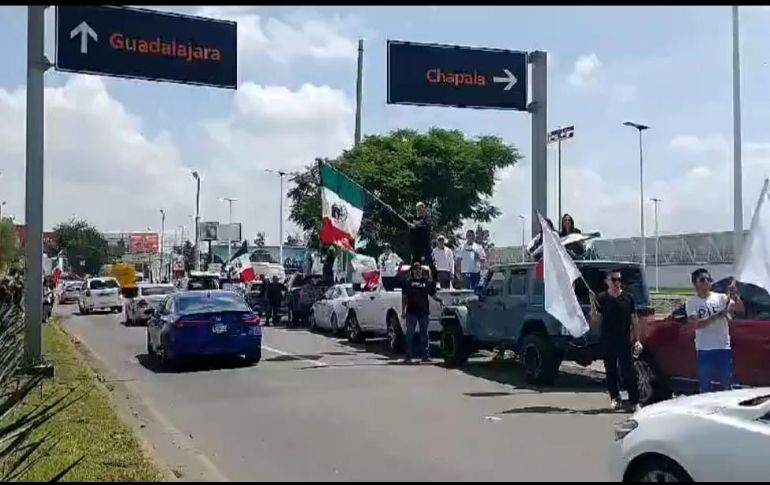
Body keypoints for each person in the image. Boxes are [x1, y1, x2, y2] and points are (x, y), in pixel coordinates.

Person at [590, 269, 643, 411]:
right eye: (614, 280)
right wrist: (592, 307)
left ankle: (634, 400)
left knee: (628, 371)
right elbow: (596, 319)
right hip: (608, 339)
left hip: (624, 339)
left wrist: (637, 340)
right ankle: (615, 397)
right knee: (611, 371)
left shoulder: (628, 298)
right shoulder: (602, 298)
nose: (617, 283)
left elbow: (634, 320)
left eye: (619, 280)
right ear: (607, 281)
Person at [685, 269, 744, 394]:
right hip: (705, 348)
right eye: (702, 279)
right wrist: (717, 315)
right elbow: (696, 324)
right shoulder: (691, 303)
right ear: (695, 284)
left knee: (727, 382)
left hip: (723, 346)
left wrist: (736, 297)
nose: (706, 282)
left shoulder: (721, 298)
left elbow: (739, 310)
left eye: (708, 279)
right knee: (705, 385)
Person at [401, 260, 437, 364]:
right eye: (416, 269)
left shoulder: (426, 282)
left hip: (424, 311)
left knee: (424, 334)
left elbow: (433, 294)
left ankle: (425, 356)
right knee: (410, 334)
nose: (418, 271)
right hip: (411, 311)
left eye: (419, 269)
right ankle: (408, 356)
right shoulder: (408, 282)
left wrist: (440, 300)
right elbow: (404, 297)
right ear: (412, 271)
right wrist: (403, 311)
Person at [409, 202, 433, 269]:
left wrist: (415, 226)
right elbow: (412, 232)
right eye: (417, 209)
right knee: (414, 265)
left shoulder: (427, 218)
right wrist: (411, 228)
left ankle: (435, 277)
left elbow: (426, 227)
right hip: (417, 246)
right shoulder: (414, 219)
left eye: (420, 209)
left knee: (430, 264)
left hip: (425, 245)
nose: (419, 211)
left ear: (424, 209)